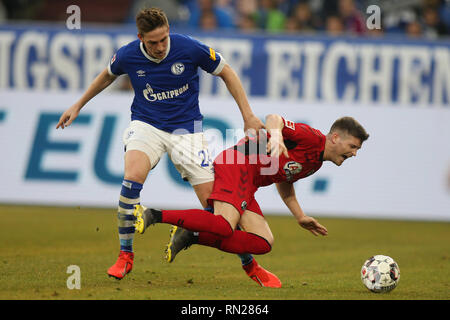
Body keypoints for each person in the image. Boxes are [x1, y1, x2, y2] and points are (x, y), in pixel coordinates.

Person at [55, 7, 270, 285]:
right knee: (132, 177)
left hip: (187, 130)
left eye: (163, 40)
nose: (159, 47)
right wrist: (77, 104)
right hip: (147, 125)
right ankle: (125, 255)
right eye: (152, 42)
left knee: (217, 210)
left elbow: (226, 71)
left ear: (168, 31)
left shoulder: (189, 48)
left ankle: (250, 265)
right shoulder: (127, 54)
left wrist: (248, 115)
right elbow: (107, 75)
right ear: (140, 37)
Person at [132, 114, 369, 286]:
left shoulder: (315, 161)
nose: (354, 153)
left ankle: (192, 235)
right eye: (353, 146)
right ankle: (153, 214)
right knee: (224, 225)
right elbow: (274, 118)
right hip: (237, 164)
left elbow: (284, 180)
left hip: (248, 183)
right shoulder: (311, 138)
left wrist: (300, 216)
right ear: (335, 138)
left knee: (262, 242)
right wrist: (276, 137)